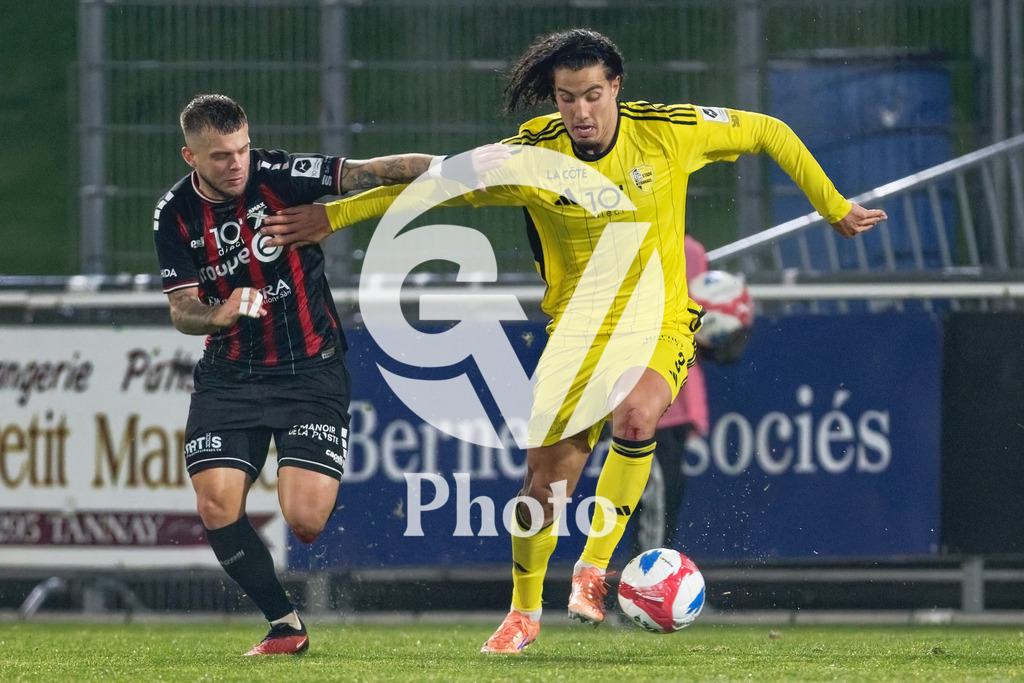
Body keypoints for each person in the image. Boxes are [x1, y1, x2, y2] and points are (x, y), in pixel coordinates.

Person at [259, 28, 887, 654]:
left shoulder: (669, 132)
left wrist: (832, 207)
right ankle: (522, 614)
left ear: (616, 87)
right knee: (543, 490)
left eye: (592, 95)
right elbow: (438, 182)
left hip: (659, 322)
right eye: (565, 99)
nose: (580, 112)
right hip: (576, 334)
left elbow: (769, 131)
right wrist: (334, 216)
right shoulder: (532, 157)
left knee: (637, 418)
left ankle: (593, 571)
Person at [152, 94, 450, 656]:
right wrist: (218, 311)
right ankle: (285, 625)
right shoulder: (174, 214)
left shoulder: (279, 174)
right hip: (231, 375)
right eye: (220, 157)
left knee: (306, 521)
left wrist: (459, 169)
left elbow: (370, 173)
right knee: (216, 503)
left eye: (242, 148)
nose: (237, 163)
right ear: (190, 156)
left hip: (309, 370)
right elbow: (181, 309)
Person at [632, 235, 711, 557]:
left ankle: (648, 592)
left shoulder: (692, 252)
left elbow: (706, 328)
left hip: (676, 397)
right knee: (650, 502)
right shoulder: (621, 246)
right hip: (636, 395)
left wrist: (728, 331)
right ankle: (638, 591)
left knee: (664, 502)